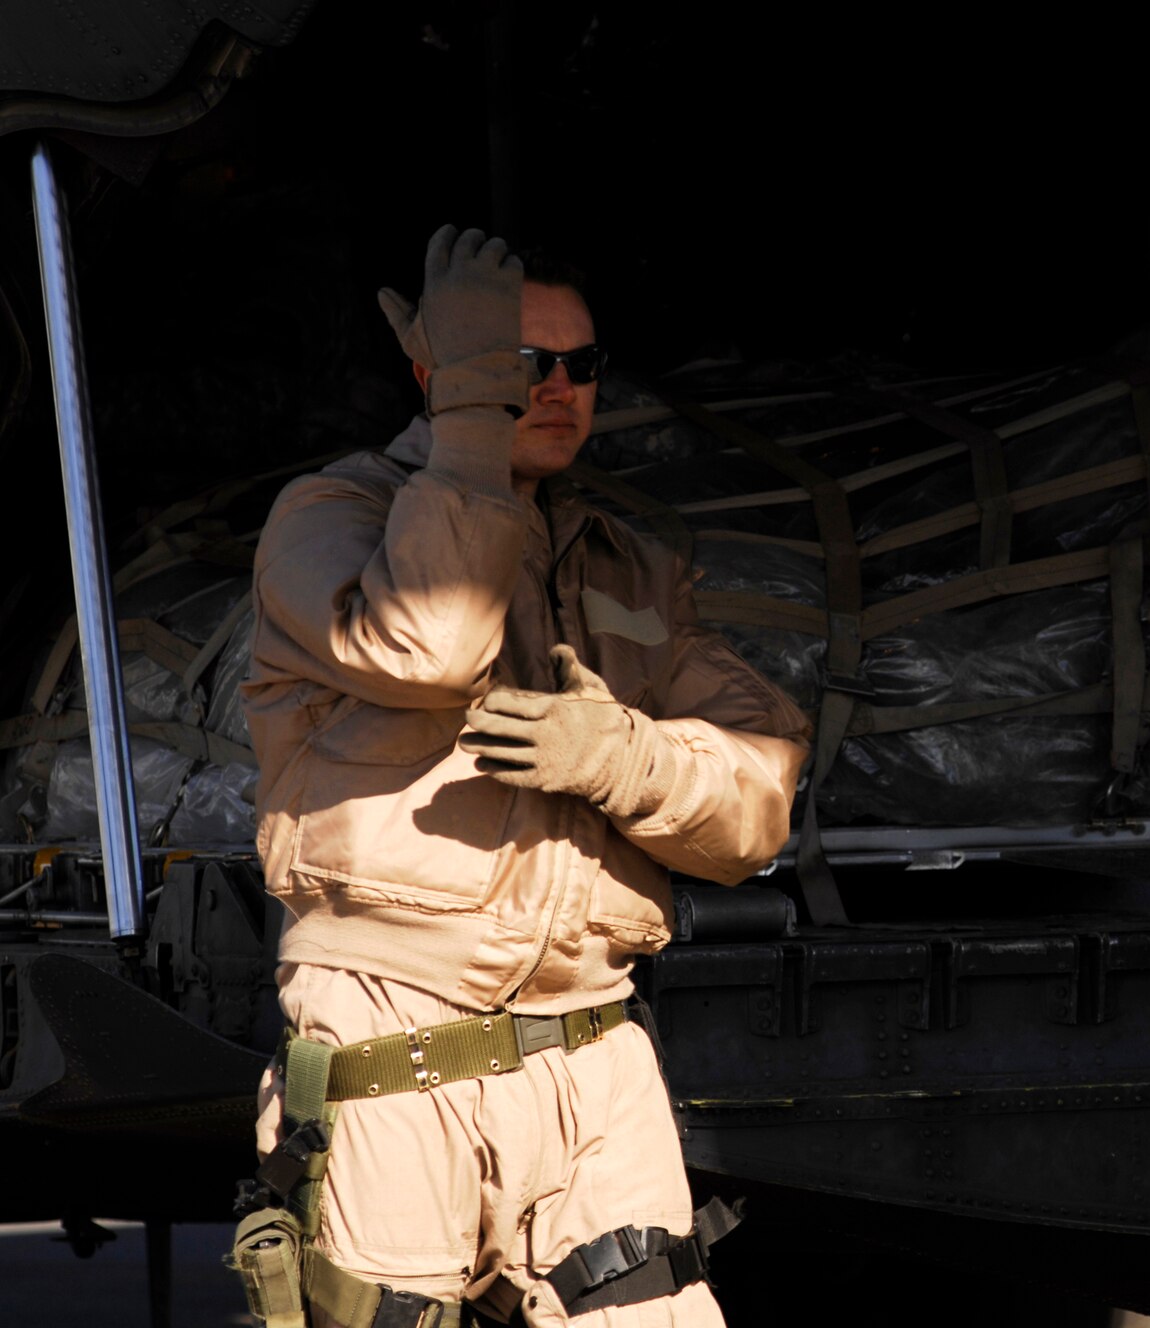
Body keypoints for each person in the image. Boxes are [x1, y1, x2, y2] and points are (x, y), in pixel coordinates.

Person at [236, 225, 810, 1327]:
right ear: (439, 371)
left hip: (593, 1052)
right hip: (393, 1046)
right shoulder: (328, 520)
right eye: (515, 363)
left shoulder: (625, 561)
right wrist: (467, 432)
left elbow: (756, 804)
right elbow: (428, 645)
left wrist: (626, 757)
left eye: (576, 365)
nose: (552, 389)